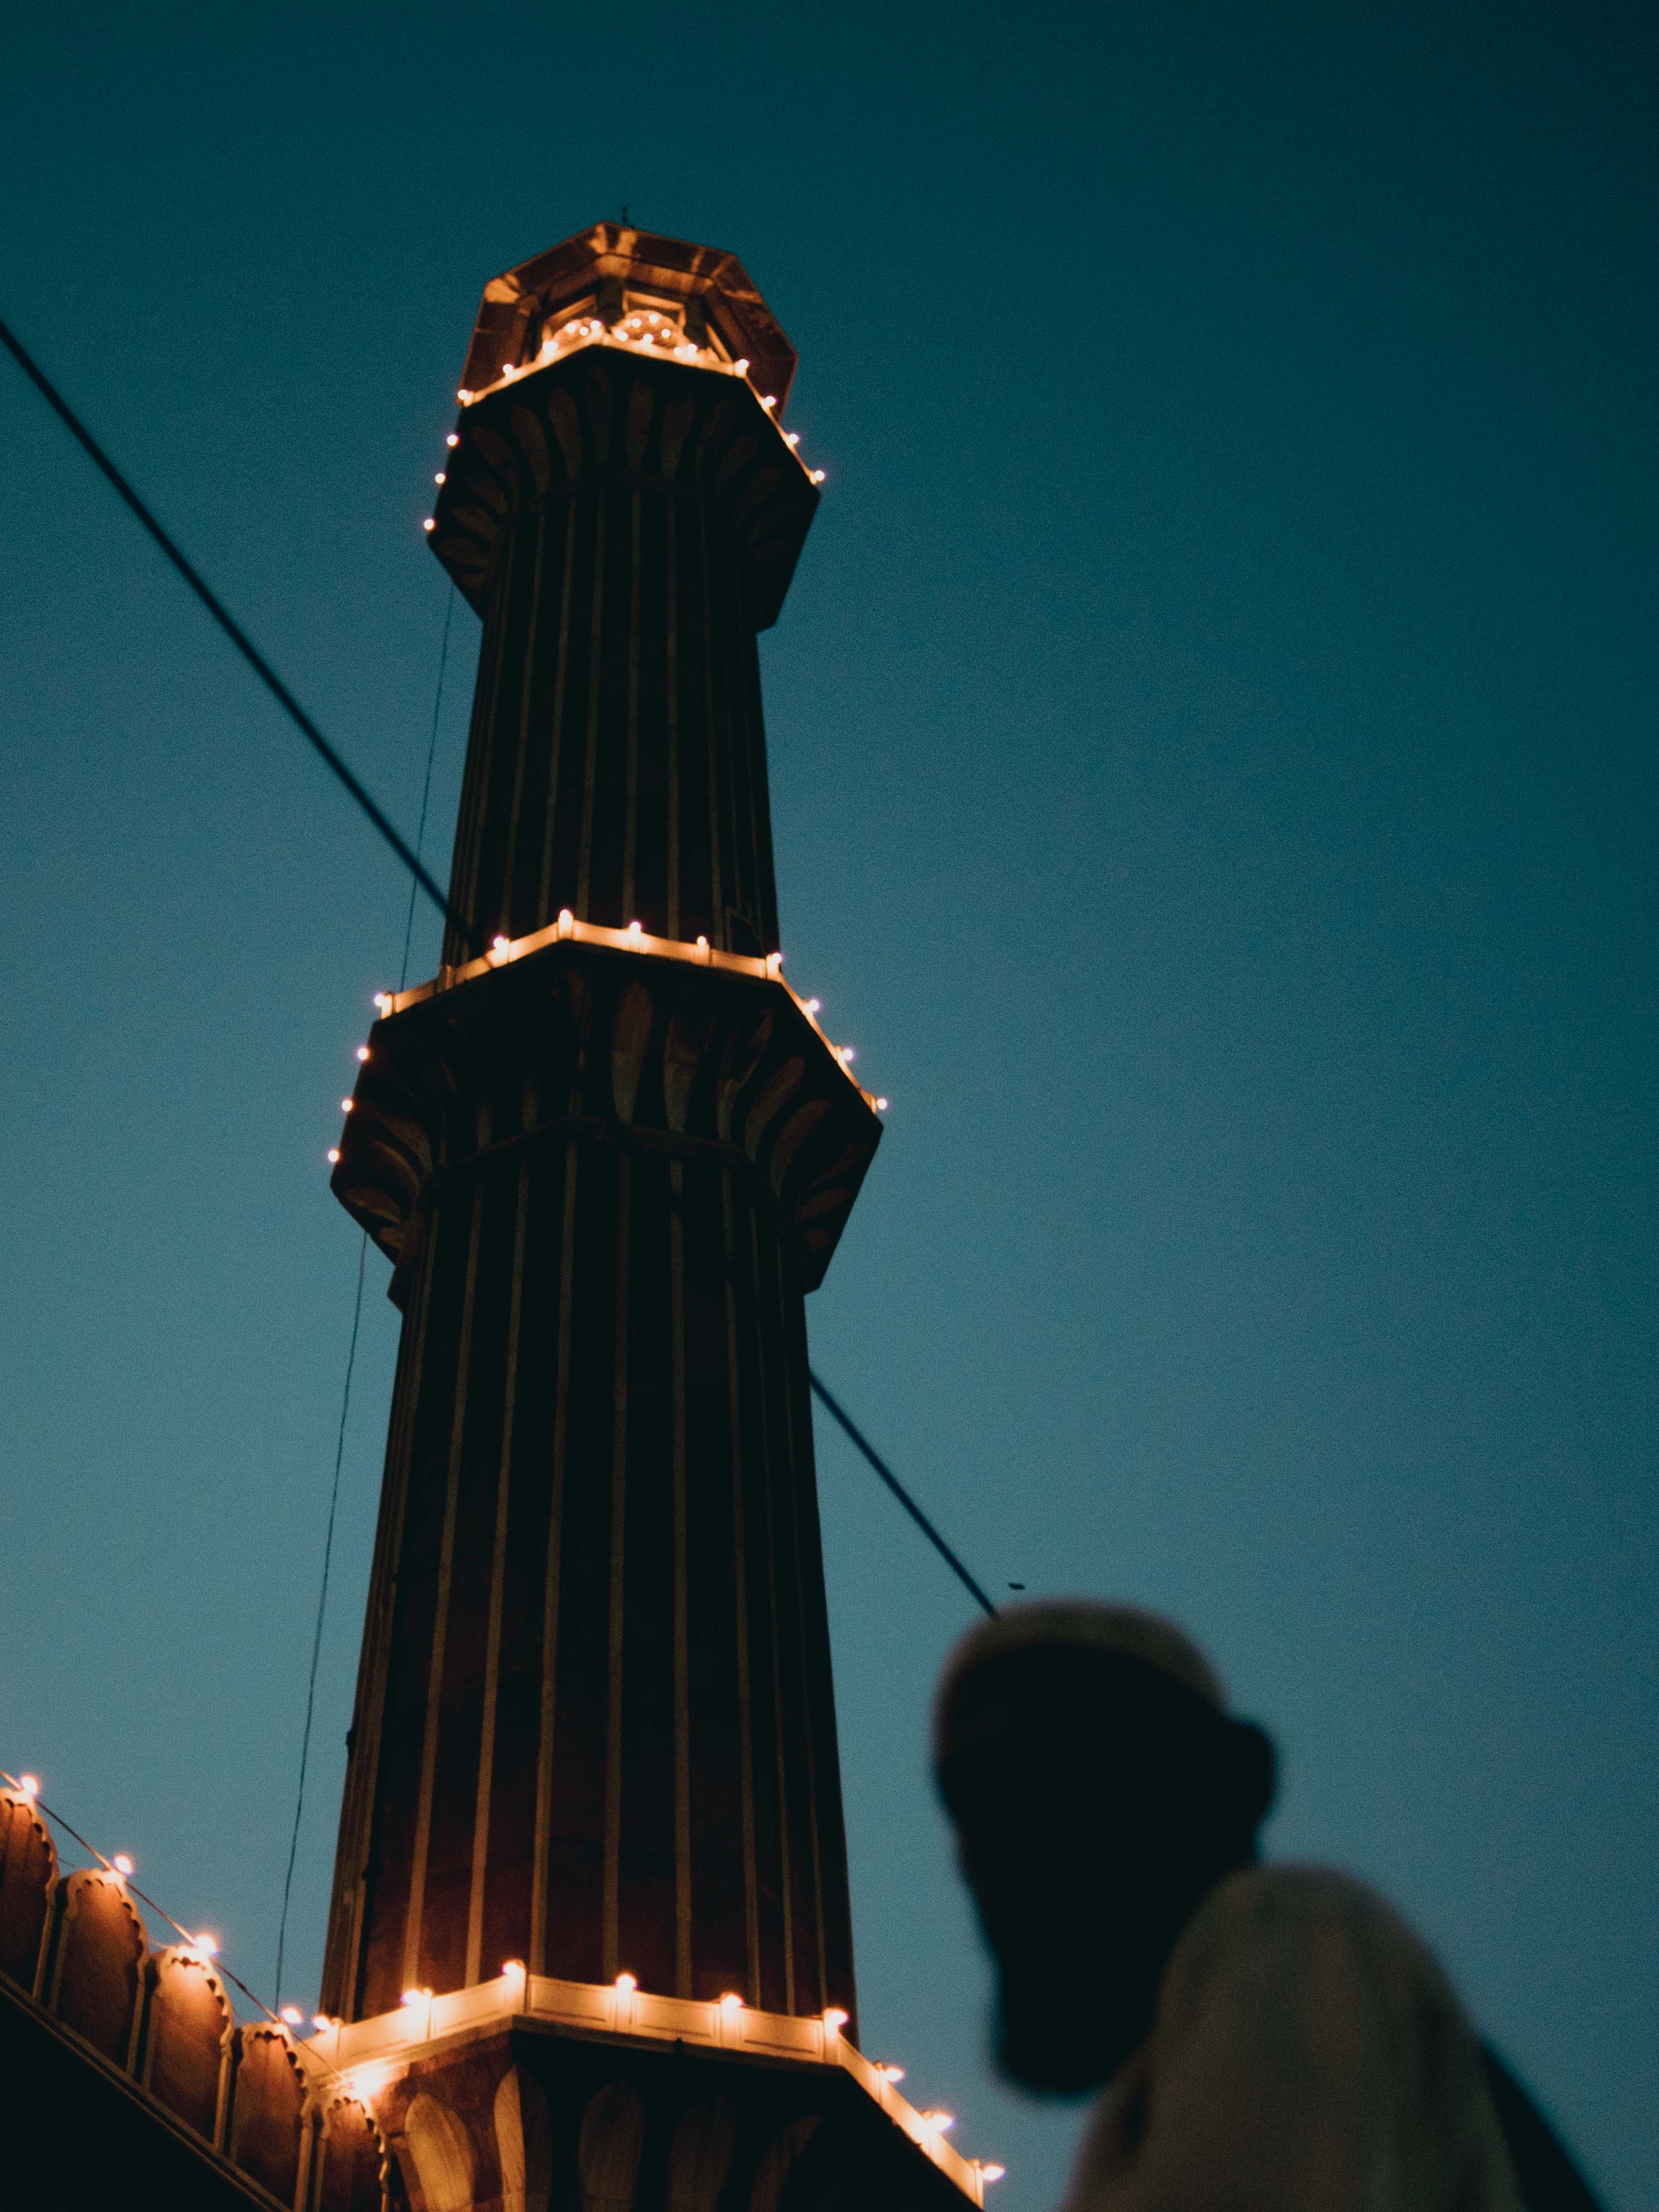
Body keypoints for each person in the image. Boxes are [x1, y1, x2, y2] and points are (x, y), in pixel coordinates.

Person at [932, 1601, 1531, 2212]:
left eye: (1041, 1779)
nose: (985, 1851)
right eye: (969, 1803)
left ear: (1213, 1787)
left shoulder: (1285, 1928)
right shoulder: (1159, 2087)